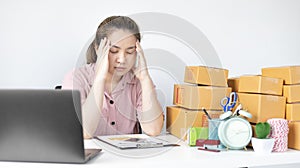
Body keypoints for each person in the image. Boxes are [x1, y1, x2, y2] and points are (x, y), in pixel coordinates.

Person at [62, 16, 164, 138]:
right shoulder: (76, 78)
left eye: (130, 51)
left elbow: (153, 129)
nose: (122, 60)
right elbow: (83, 132)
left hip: (126, 155)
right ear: (98, 48)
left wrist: (145, 79)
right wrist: (100, 78)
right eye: (114, 51)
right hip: (90, 155)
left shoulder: (138, 82)